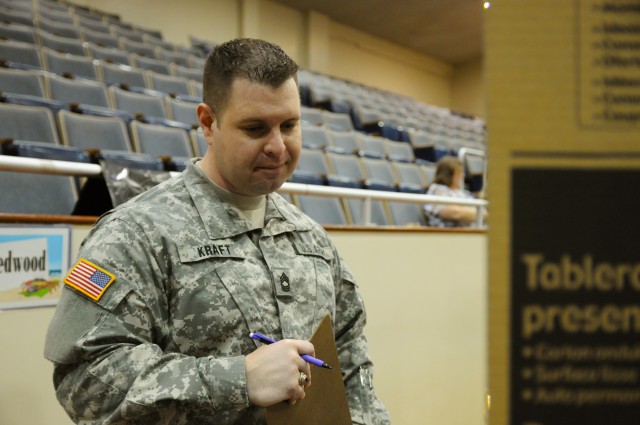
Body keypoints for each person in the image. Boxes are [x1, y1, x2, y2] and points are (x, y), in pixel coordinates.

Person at [44, 38, 390, 425]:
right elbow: (84, 381)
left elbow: (350, 361)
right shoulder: (136, 233)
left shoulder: (310, 237)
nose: (278, 146)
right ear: (208, 123)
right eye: (255, 128)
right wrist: (238, 379)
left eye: (289, 125)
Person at [423, 156, 486, 228]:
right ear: (448, 175)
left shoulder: (463, 193)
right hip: (446, 235)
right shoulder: (437, 189)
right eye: (458, 173)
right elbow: (455, 213)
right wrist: (478, 213)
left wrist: (468, 212)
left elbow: (482, 211)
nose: (462, 175)